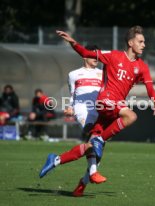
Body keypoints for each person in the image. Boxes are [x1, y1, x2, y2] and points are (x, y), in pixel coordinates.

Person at [39, 26, 155, 197]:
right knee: (131, 115)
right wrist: (73, 42)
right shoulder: (113, 56)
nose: (144, 44)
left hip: (113, 110)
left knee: (93, 150)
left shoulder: (142, 67)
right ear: (130, 42)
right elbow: (86, 52)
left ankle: (61, 164)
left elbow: (150, 88)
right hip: (105, 101)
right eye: (140, 41)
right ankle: (99, 140)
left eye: (144, 41)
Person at [65, 45, 107, 196]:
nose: (95, 59)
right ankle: (94, 172)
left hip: (100, 112)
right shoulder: (73, 74)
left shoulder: (103, 73)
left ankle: (82, 184)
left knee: (98, 151)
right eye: (92, 56)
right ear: (84, 57)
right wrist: (70, 107)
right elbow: (72, 94)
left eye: (97, 56)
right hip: (82, 110)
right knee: (92, 138)